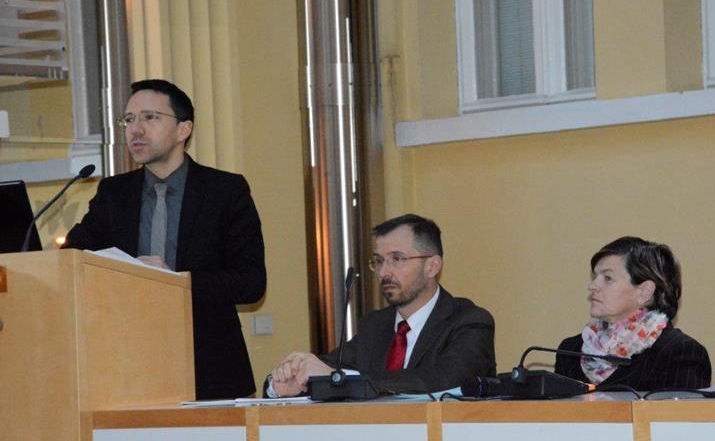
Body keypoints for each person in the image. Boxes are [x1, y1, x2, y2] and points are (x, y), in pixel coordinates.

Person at [63, 79, 266, 399]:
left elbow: (251, 282)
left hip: (209, 366)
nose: (136, 130)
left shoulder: (224, 191)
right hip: (124, 365)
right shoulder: (114, 194)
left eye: (150, 117)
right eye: (129, 119)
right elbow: (72, 258)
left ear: (183, 129)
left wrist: (175, 281)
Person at [267, 214, 496, 397]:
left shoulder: (469, 321)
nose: (384, 272)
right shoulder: (374, 325)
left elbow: (441, 380)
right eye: (378, 261)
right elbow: (328, 366)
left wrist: (341, 377)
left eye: (397, 259)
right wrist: (287, 381)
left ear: (432, 266)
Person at [555, 236, 711, 391]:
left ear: (644, 292)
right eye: (595, 276)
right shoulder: (571, 351)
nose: (593, 285)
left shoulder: (679, 352)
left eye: (608, 278)